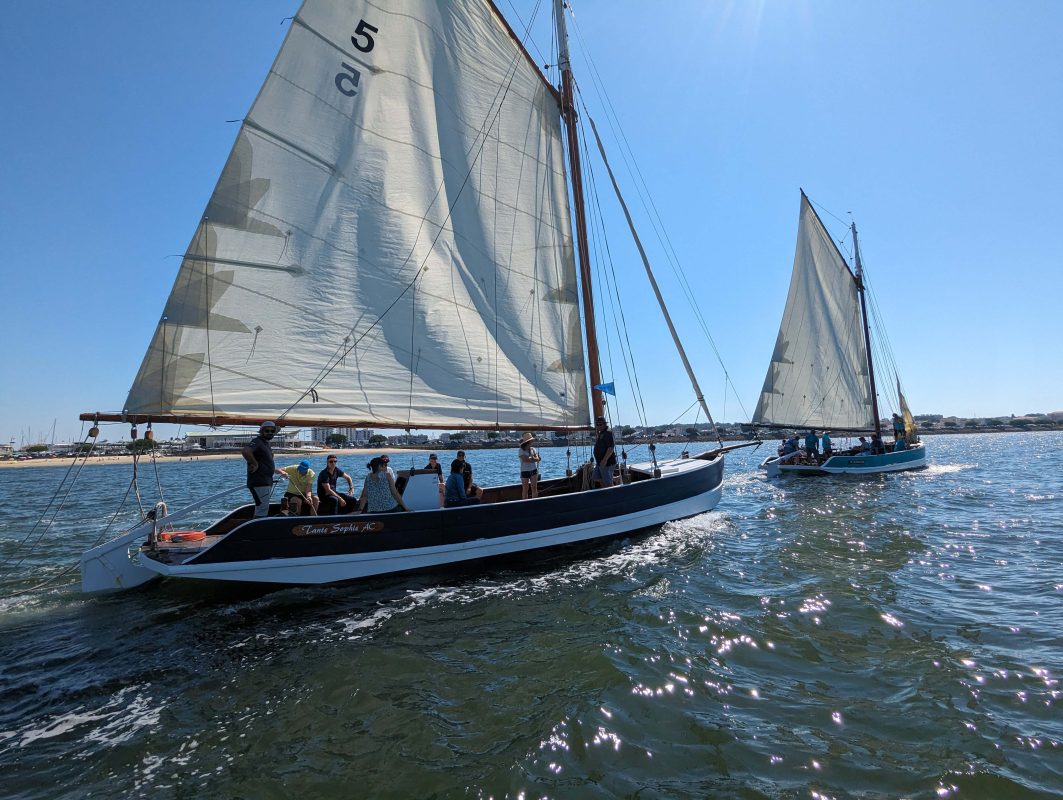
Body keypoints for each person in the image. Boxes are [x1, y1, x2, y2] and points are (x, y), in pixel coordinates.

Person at [241, 421, 277, 517]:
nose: (270, 432)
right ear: (261, 431)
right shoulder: (258, 441)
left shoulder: (265, 444)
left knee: (262, 507)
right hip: (260, 482)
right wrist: (254, 463)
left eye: (272, 431)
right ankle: (257, 530)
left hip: (265, 482)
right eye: (267, 431)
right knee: (262, 508)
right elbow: (246, 450)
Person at [592, 416, 618, 488]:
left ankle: (611, 495)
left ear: (605, 424)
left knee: (608, 482)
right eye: (597, 424)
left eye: (600, 424)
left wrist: (604, 460)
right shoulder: (601, 433)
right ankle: (605, 490)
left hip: (607, 463)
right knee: (596, 477)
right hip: (600, 462)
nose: (598, 426)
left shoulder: (608, 433)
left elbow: (611, 448)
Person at [518, 432, 541, 499]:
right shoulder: (521, 450)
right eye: (531, 440)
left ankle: (534, 502)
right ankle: (525, 504)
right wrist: (534, 458)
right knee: (525, 489)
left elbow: (537, 458)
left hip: (534, 470)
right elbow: (525, 460)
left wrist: (532, 458)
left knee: (534, 488)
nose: (532, 441)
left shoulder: (533, 449)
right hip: (524, 471)